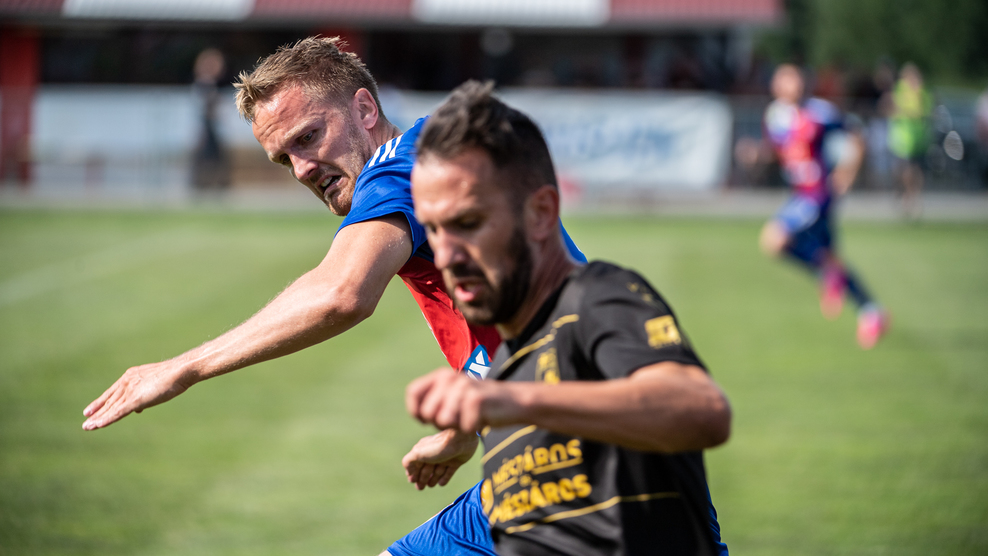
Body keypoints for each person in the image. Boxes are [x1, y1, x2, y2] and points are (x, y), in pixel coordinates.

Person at [81, 37, 586, 556]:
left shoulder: (400, 171)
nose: (302, 168)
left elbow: (341, 293)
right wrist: (465, 428)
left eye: (309, 136)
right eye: (284, 159)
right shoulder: (436, 156)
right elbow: (511, 323)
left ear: (364, 109)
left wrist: (182, 368)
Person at [405, 80, 731, 556]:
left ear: (541, 213)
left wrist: (509, 401)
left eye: (469, 224)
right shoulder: (509, 362)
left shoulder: (594, 299)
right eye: (433, 230)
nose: (446, 256)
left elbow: (700, 410)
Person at [758, 64, 888, 349]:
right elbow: (780, 152)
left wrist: (847, 173)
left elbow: (856, 134)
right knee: (830, 260)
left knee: (773, 240)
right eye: (783, 80)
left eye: (794, 79)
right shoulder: (775, 116)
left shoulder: (820, 112)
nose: (789, 85)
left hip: (816, 194)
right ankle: (872, 312)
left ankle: (830, 279)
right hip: (799, 193)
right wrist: (757, 155)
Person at [887, 62, 932, 218]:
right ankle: (905, 194)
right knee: (903, 170)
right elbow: (894, 108)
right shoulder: (900, 90)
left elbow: (925, 111)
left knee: (916, 170)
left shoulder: (922, 92)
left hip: (918, 139)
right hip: (903, 139)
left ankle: (913, 197)